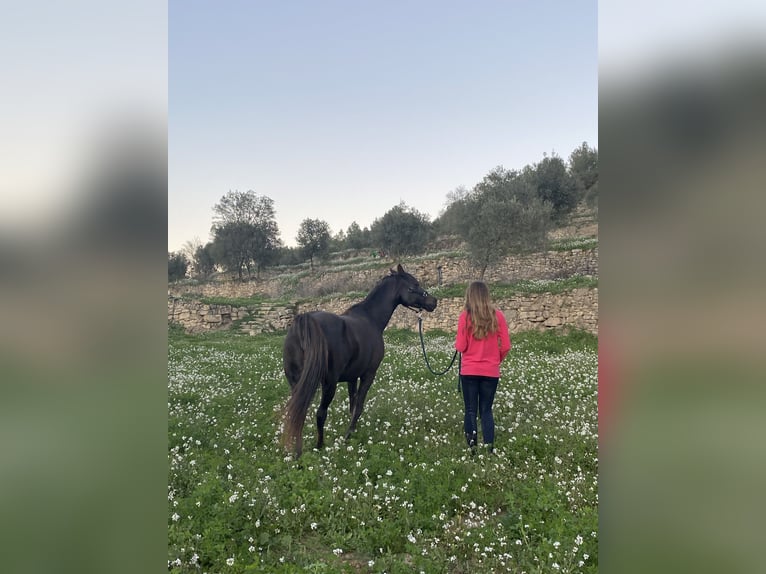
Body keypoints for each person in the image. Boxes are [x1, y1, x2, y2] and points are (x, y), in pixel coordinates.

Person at [454, 281, 511, 454]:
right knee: (486, 410)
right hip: (490, 371)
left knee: (470, 410)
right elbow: (506, 345)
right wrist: (495, 361)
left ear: (469, 296)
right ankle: (489, 448)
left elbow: (461, 346)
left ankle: (472, 449)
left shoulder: (465, 316)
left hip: (469, 371)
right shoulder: (498, 316)